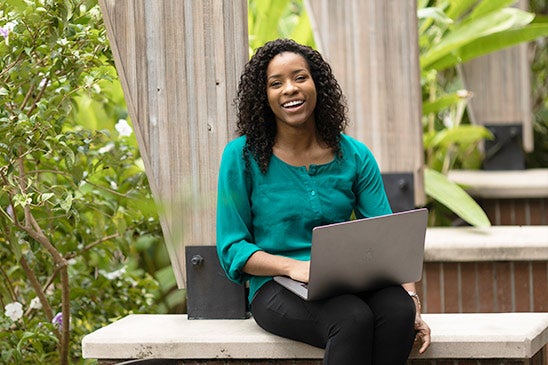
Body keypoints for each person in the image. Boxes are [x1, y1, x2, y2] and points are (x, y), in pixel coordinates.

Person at [216, 38, 431, 364]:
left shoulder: (354, 155)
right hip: (277, 285)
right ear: (265, 96)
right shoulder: (241, 158)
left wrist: (412, 299)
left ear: (317, 85)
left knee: (397, 309)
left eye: (300, 77)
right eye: (277, 83)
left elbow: (389, 241)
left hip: (346, 281)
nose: (290, 89)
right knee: (351, 319)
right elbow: (232, 247)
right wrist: (294, 267)